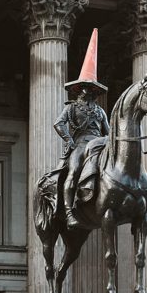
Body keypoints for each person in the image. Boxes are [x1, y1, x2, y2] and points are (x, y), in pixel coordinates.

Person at [54, 29, 109, 229]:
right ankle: (69, 212)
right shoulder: (71, 108)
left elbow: (108, 132)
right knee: (74, 170)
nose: (90, 92)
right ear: (79, 90)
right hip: (80, 144)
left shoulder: (100, 111)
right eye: (86, 88)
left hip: (99, 144)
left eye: (93, 89)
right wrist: (68, 140)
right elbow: (58, 124)